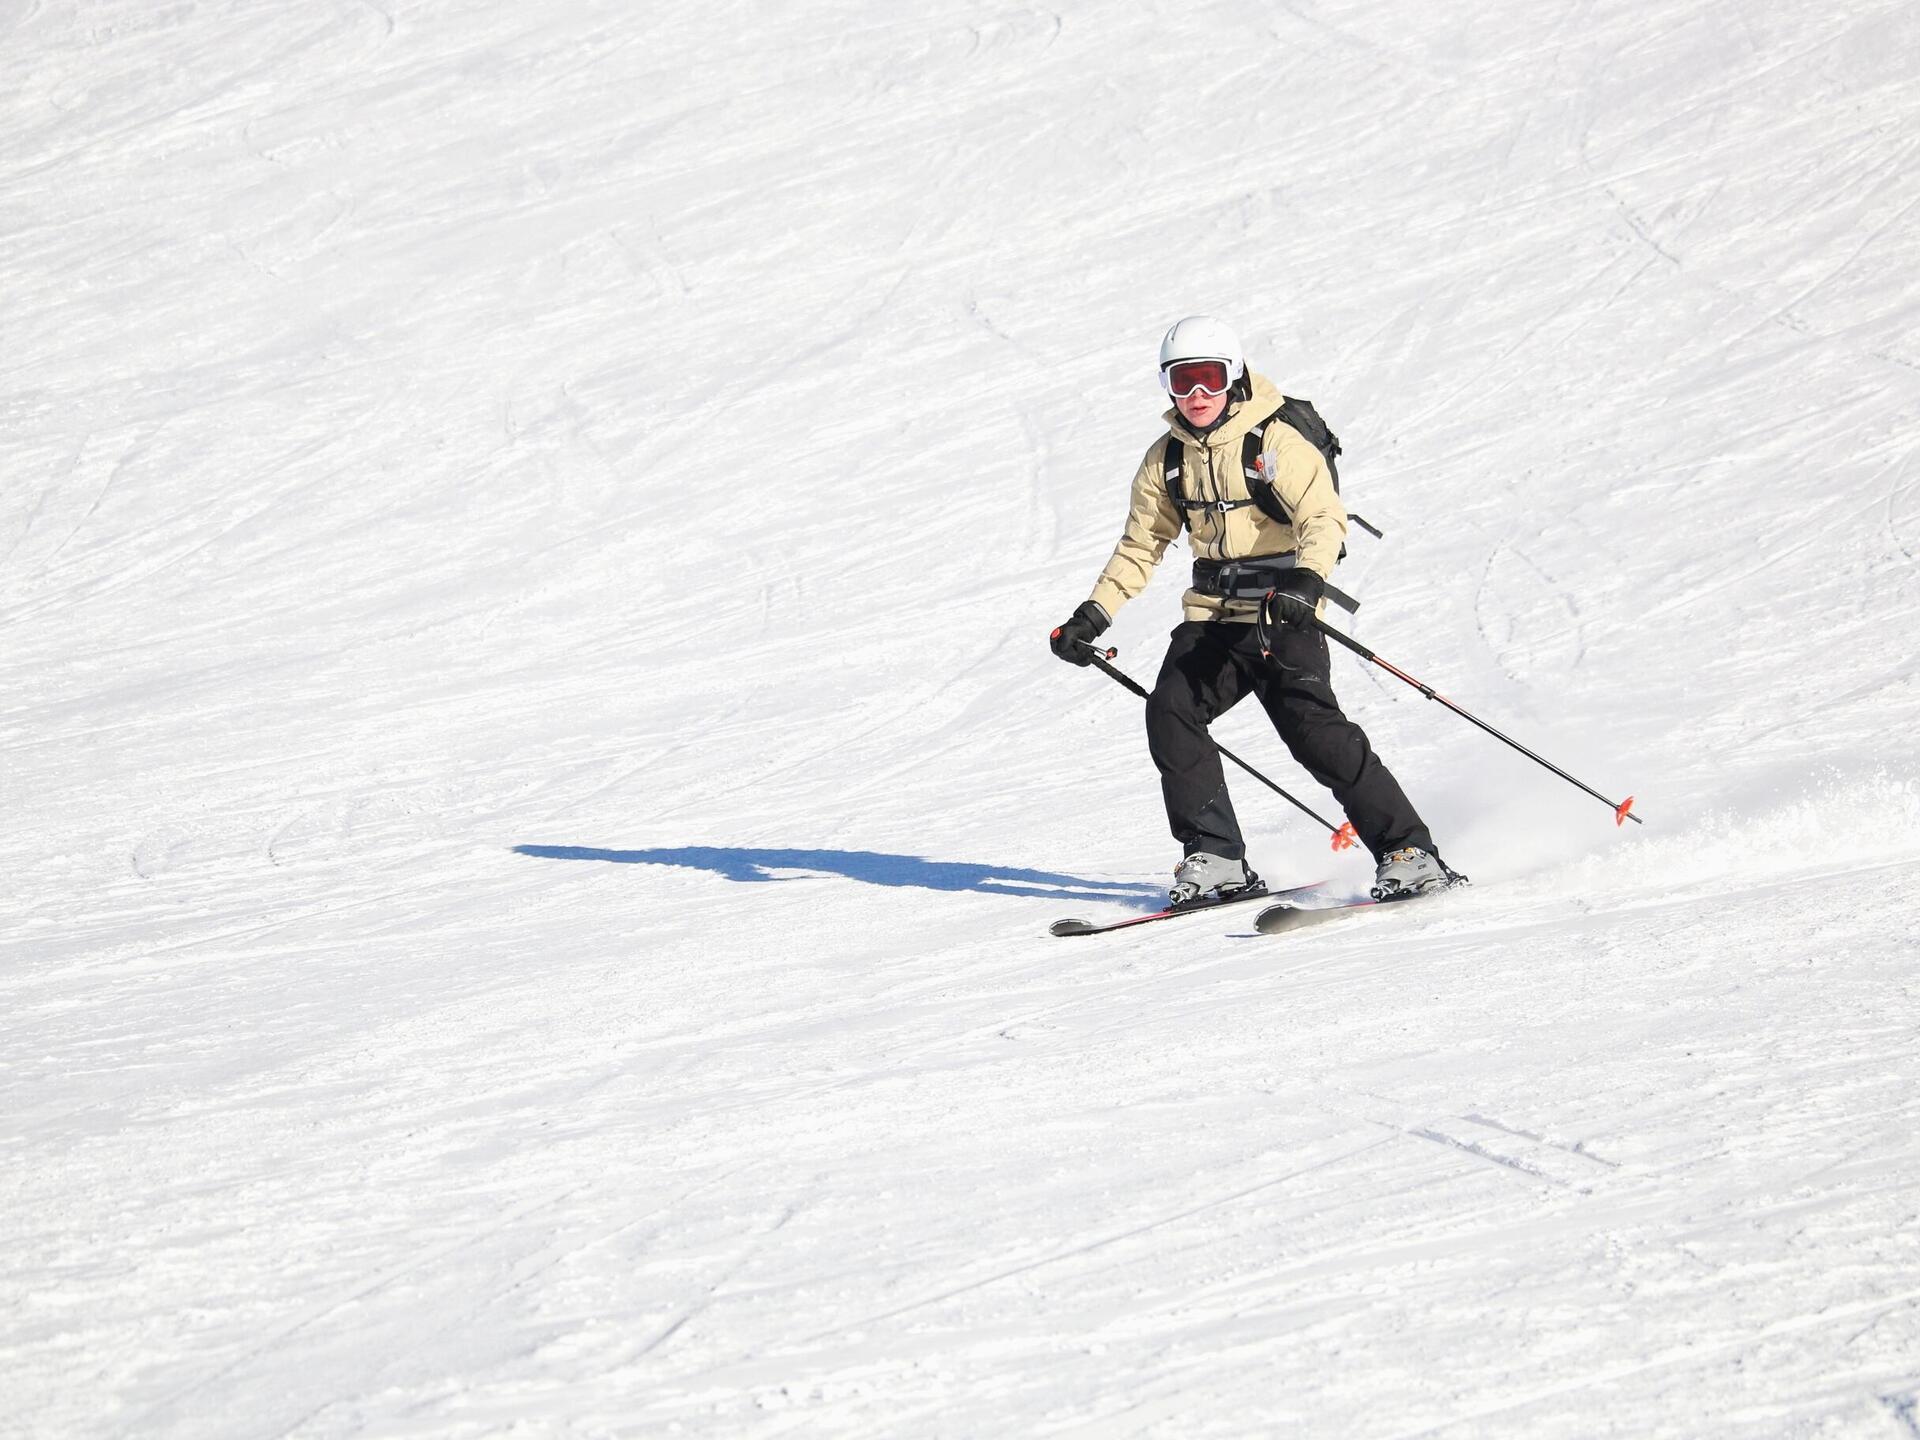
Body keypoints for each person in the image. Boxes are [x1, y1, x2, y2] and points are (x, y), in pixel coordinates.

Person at [1049, 316, 1459, 906]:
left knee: (1317, 737)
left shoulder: (1273, 443)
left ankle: (1408, 851)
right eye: (1182, 380)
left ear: (1233, 375)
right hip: (1214, 618)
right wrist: (1094, 614)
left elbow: (1323, 518)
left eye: (1208, 378)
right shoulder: (1165, 459)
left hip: (1280, 614)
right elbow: (1142, 545)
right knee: (1171, 710)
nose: (1196, 395)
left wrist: (1306, 583)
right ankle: (1215, 859)